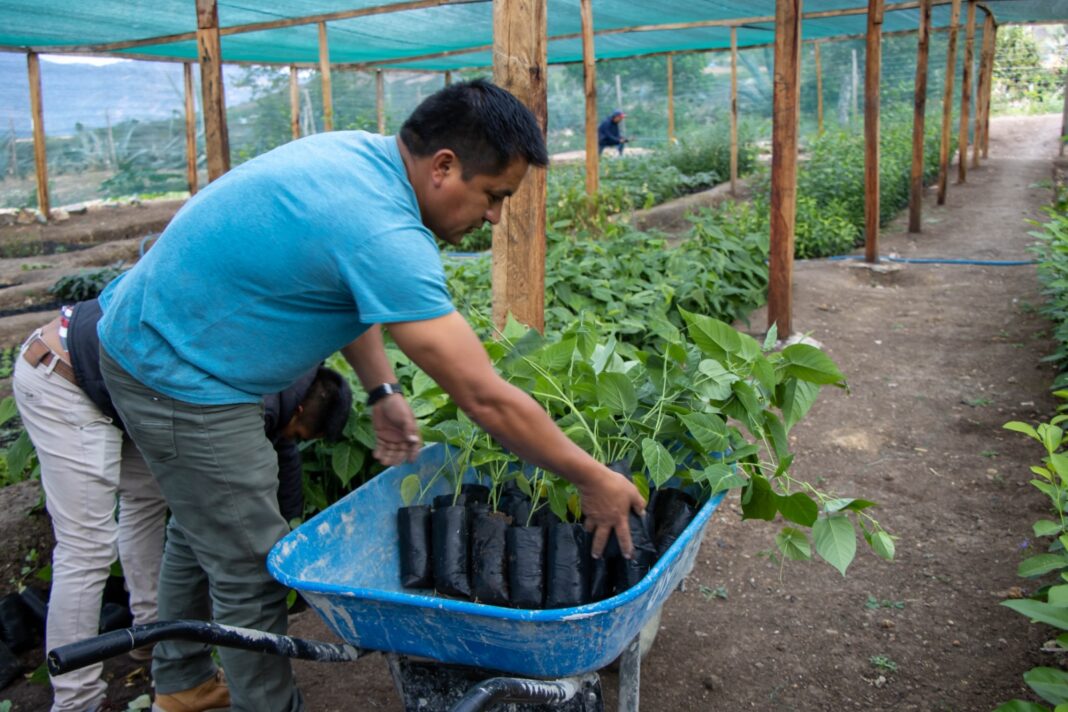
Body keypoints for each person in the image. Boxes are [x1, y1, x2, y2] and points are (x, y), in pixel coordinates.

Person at [95, 78, 646, 712]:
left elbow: (343, 292)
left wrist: (381, 387)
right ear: (444, 166)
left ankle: (183, 682)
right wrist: (590, 475)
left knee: (204, 526)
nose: (494, 217)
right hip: (177, 374)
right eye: (494, 196)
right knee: (248, 566)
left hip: (161, 338)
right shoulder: (383, 232)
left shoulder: (363, 159)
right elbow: (484, 398)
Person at [12, 298, 351, 712]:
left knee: (157, 503)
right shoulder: (260, 397)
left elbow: (282, 451)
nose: (294, 439)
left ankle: (154, 642)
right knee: (87, 547)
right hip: (63, 377)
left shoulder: (284, 373)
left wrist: (291, 529)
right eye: (302, 432)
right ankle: (76, 700)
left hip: (125, 386)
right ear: (299, 409)